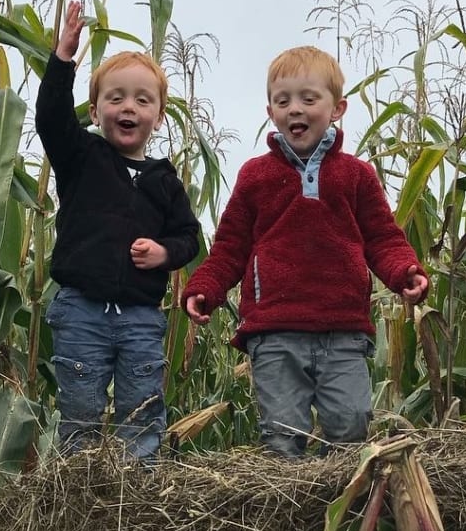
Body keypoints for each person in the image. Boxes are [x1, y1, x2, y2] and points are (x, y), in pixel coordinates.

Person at [182, 45, 428, 458]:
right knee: (282, 436)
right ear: (270, 110)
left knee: (350, 428)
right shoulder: (256, 176)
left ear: (337, 108)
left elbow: (382, 237)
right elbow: (231, 244)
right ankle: (290, 519)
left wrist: (405, 271)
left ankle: (341, 514)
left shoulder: (356, 175)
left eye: (308, 99)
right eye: (283, 101)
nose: (295, 109)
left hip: (343, 328)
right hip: (275, 330)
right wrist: (206, 286)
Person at [36, 1, 200, 459]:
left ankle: (139, 492)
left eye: (142, 100)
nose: (129, 107)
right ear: (94, 110)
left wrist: (164, 254)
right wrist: (63, 59)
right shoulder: (81, 157)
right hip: (81, 313)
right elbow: (49, 119)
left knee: (141, 410)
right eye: (116, 98)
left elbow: (190, 237)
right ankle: (77, 489)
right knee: (81, 412)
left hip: (140, 320)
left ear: (159, 115)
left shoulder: (164, 181)